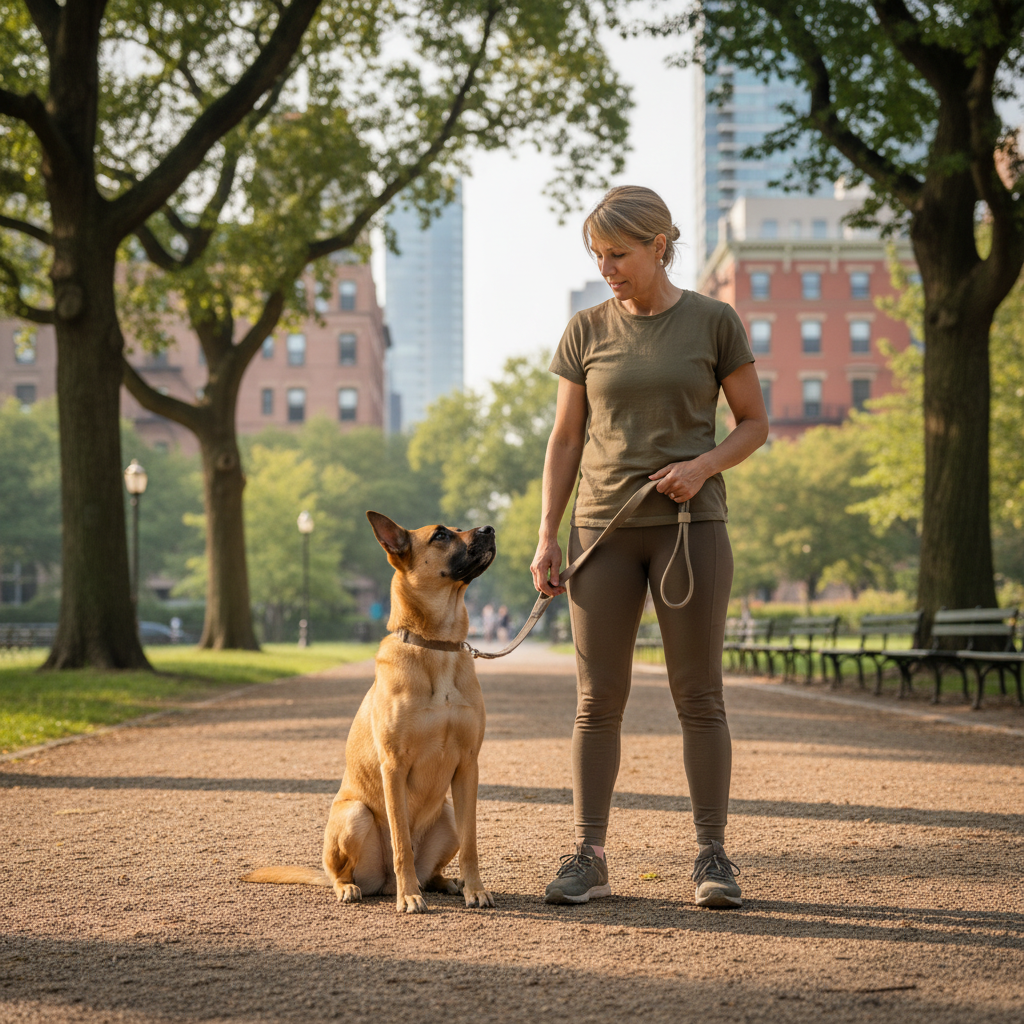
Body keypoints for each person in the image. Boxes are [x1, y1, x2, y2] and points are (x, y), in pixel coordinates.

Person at [530, 186, 768, 909]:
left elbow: (753, 423)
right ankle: (590, 854)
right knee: (597, 700)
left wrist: (703, 467)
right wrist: (547, 533)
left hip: (691, 530)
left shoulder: (714, 321)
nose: (606, 268)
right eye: (597, 256)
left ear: (659, 246)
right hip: (601, 531)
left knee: (699, 695)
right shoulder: (585, 330)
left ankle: (712, 853)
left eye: (618, 254)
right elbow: (566, 438)